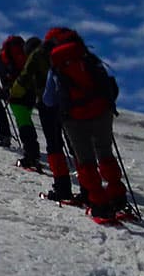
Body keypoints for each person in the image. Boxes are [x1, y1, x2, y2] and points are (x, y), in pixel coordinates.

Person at [42, 28, 127, 221]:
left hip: (74, 118)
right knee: (105, 154)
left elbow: (48, 99)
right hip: (101, 113)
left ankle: (99, 204)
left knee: (86, 161)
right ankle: (118, 197)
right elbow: (109, 85)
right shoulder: (87, 58)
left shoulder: (56, 65)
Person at [10, 35, 77, 202]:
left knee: (54, 145)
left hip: (48, 104)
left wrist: (13, 94)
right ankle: (89, 190)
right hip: (71, 103)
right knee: (74, 144)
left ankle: (62, 188)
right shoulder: (61, 54)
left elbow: (25, 77)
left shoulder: (37, 55)